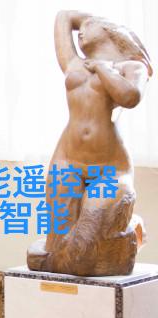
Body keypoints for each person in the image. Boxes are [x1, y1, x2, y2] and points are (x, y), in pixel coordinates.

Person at [27, 11, 153, 276]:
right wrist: (94, 20)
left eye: (90, 26)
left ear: (110, 32)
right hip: (67, 161)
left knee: (83, 248)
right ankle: (61, 258)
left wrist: (104, 68)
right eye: (81, 27)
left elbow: (130, 96)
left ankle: (130, 229)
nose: (81, 30)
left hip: (110, 170)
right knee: (57, 245)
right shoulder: (75, 64)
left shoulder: (131, 67)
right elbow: (64, 17)